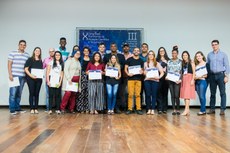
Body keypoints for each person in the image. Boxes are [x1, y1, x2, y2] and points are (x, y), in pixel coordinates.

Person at [207, 40, 229, 115]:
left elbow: (227, 66)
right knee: (212, 93)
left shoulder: (223, 54)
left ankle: (222, 109)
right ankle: (212, 109)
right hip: (212, 76)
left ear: (218, 45)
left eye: (215, 44)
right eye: (213, 45)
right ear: (211, 46)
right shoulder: (209, 55)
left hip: (221, 75)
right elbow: (208, 65)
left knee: (222, 93)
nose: (214, 46)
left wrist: (226, 76)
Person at [8, 40, 30, 115]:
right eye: (21, 44)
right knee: (13, 94)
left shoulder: (27, 55)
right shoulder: (13, 53)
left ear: (25, 46)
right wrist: (10, 74)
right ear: (18, 45)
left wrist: (27, 77)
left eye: (24, 45)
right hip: (14, 76)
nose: (22, 46)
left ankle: (17, 108)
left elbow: (27, 67)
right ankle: (12, 110)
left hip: (23, 77)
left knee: (19, 93)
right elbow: (9, 64)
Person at [103, 43, 125, 113]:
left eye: (114, 46)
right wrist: (106, 71)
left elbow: (121, 71)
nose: (113, 47)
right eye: (111, 46)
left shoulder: (120, 60)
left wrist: (117, 76)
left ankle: (114, 108)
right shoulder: (107, 60)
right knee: (109, 94)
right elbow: (104, 69)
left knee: (116, 94)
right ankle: (109, 108)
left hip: (116, 81)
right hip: (108, 80)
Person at [125, 47, 144, 115]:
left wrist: (142, 72)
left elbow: (142, 70)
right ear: (133, 51)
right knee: (130, 95)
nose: (136, 51)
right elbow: (125, 69)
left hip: (138, 79)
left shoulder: (141, 60)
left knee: (138, 95)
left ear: (139, 52)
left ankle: (138, 108)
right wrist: (128, 73)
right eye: (135, 50)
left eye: (137, 50)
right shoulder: (129, 59)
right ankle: (130, 108)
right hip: (130, 79)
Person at [144, 51, 164, 115]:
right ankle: (148, 109)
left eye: (152, 54)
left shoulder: (157, 63)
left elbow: (162, 72)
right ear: (148, 56)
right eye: (149, 54)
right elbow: (144, 72)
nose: (151, 55)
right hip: (147, 80)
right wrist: (144, 72)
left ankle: (152, 109)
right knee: (147, 95)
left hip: (155, 81)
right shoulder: (145, 63)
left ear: (154, 56)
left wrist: (158, 77)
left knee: (154, 95)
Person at [24, 47, 43, 114]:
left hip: (39, 80)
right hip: (31, 79)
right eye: (36, 50)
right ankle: (32, 108)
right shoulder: (30, 59)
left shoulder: (41, 60)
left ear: (40, 52)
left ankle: (36, 108)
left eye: (39, 51)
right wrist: (31, 76)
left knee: (37, 94)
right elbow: (26, 69)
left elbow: (41, 70)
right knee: (32, 93)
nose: (37, 52)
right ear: (34, 51)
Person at [166, 46, 182, 115]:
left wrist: (180, 79)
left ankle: (178, 109)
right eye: (172, 53)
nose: (173, 54)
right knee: (172, 95)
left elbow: (181, 71)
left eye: (175, 53)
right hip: (170, 80)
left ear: (177, 54)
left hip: (177, 81)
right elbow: (167, 70)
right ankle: (174, 109)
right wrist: (166, 76)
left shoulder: (180, 61)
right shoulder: (169, 61)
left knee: (177, 95)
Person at [180, 51, 196, 116]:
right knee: (184, 95)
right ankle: (188, 110)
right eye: (183, 55)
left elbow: (194, 72)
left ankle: (186, 110)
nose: (184, 56)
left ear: (188, 55)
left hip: (189, 78)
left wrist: (193, 79)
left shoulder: (191, 62)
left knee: (187, 95)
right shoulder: (183, 63)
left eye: (186, 55)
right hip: (184, 79)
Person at [76, 47, 91, 113]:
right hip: (82, 76)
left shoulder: (91, 59)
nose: (86, 52)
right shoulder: (80, 58)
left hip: (90, 76)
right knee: (81, 93)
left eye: (87, 51)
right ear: (83, 52)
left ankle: (87, 108)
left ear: (89, 52)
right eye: (85, 51)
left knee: (88, 93)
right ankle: (81, 108)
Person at [156, 47, 170, 114]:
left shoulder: (168, 60)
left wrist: (166, 70)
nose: (161, 52)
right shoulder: (156, 60)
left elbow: (171, 69)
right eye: (160, 51)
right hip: (158, 78)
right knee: (159, 93)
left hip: (166, 78)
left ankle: (165, 108)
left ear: (165, 51)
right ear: (158, 52)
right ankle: (159, 108)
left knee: (165, 93)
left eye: (163, 50)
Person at [194, 51, 208, 115]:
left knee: (202, 96)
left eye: (199, 56)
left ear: (202, 56)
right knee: (200, 96)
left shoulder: (206, 64)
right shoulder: (196, 65)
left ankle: (202, 110)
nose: (198, 57)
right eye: (197, 56)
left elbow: (207, 75)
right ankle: (203, 110)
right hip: (197, 82)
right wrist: (195, 78)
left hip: (203, 81)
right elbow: (194, 75)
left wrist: (200, 77)